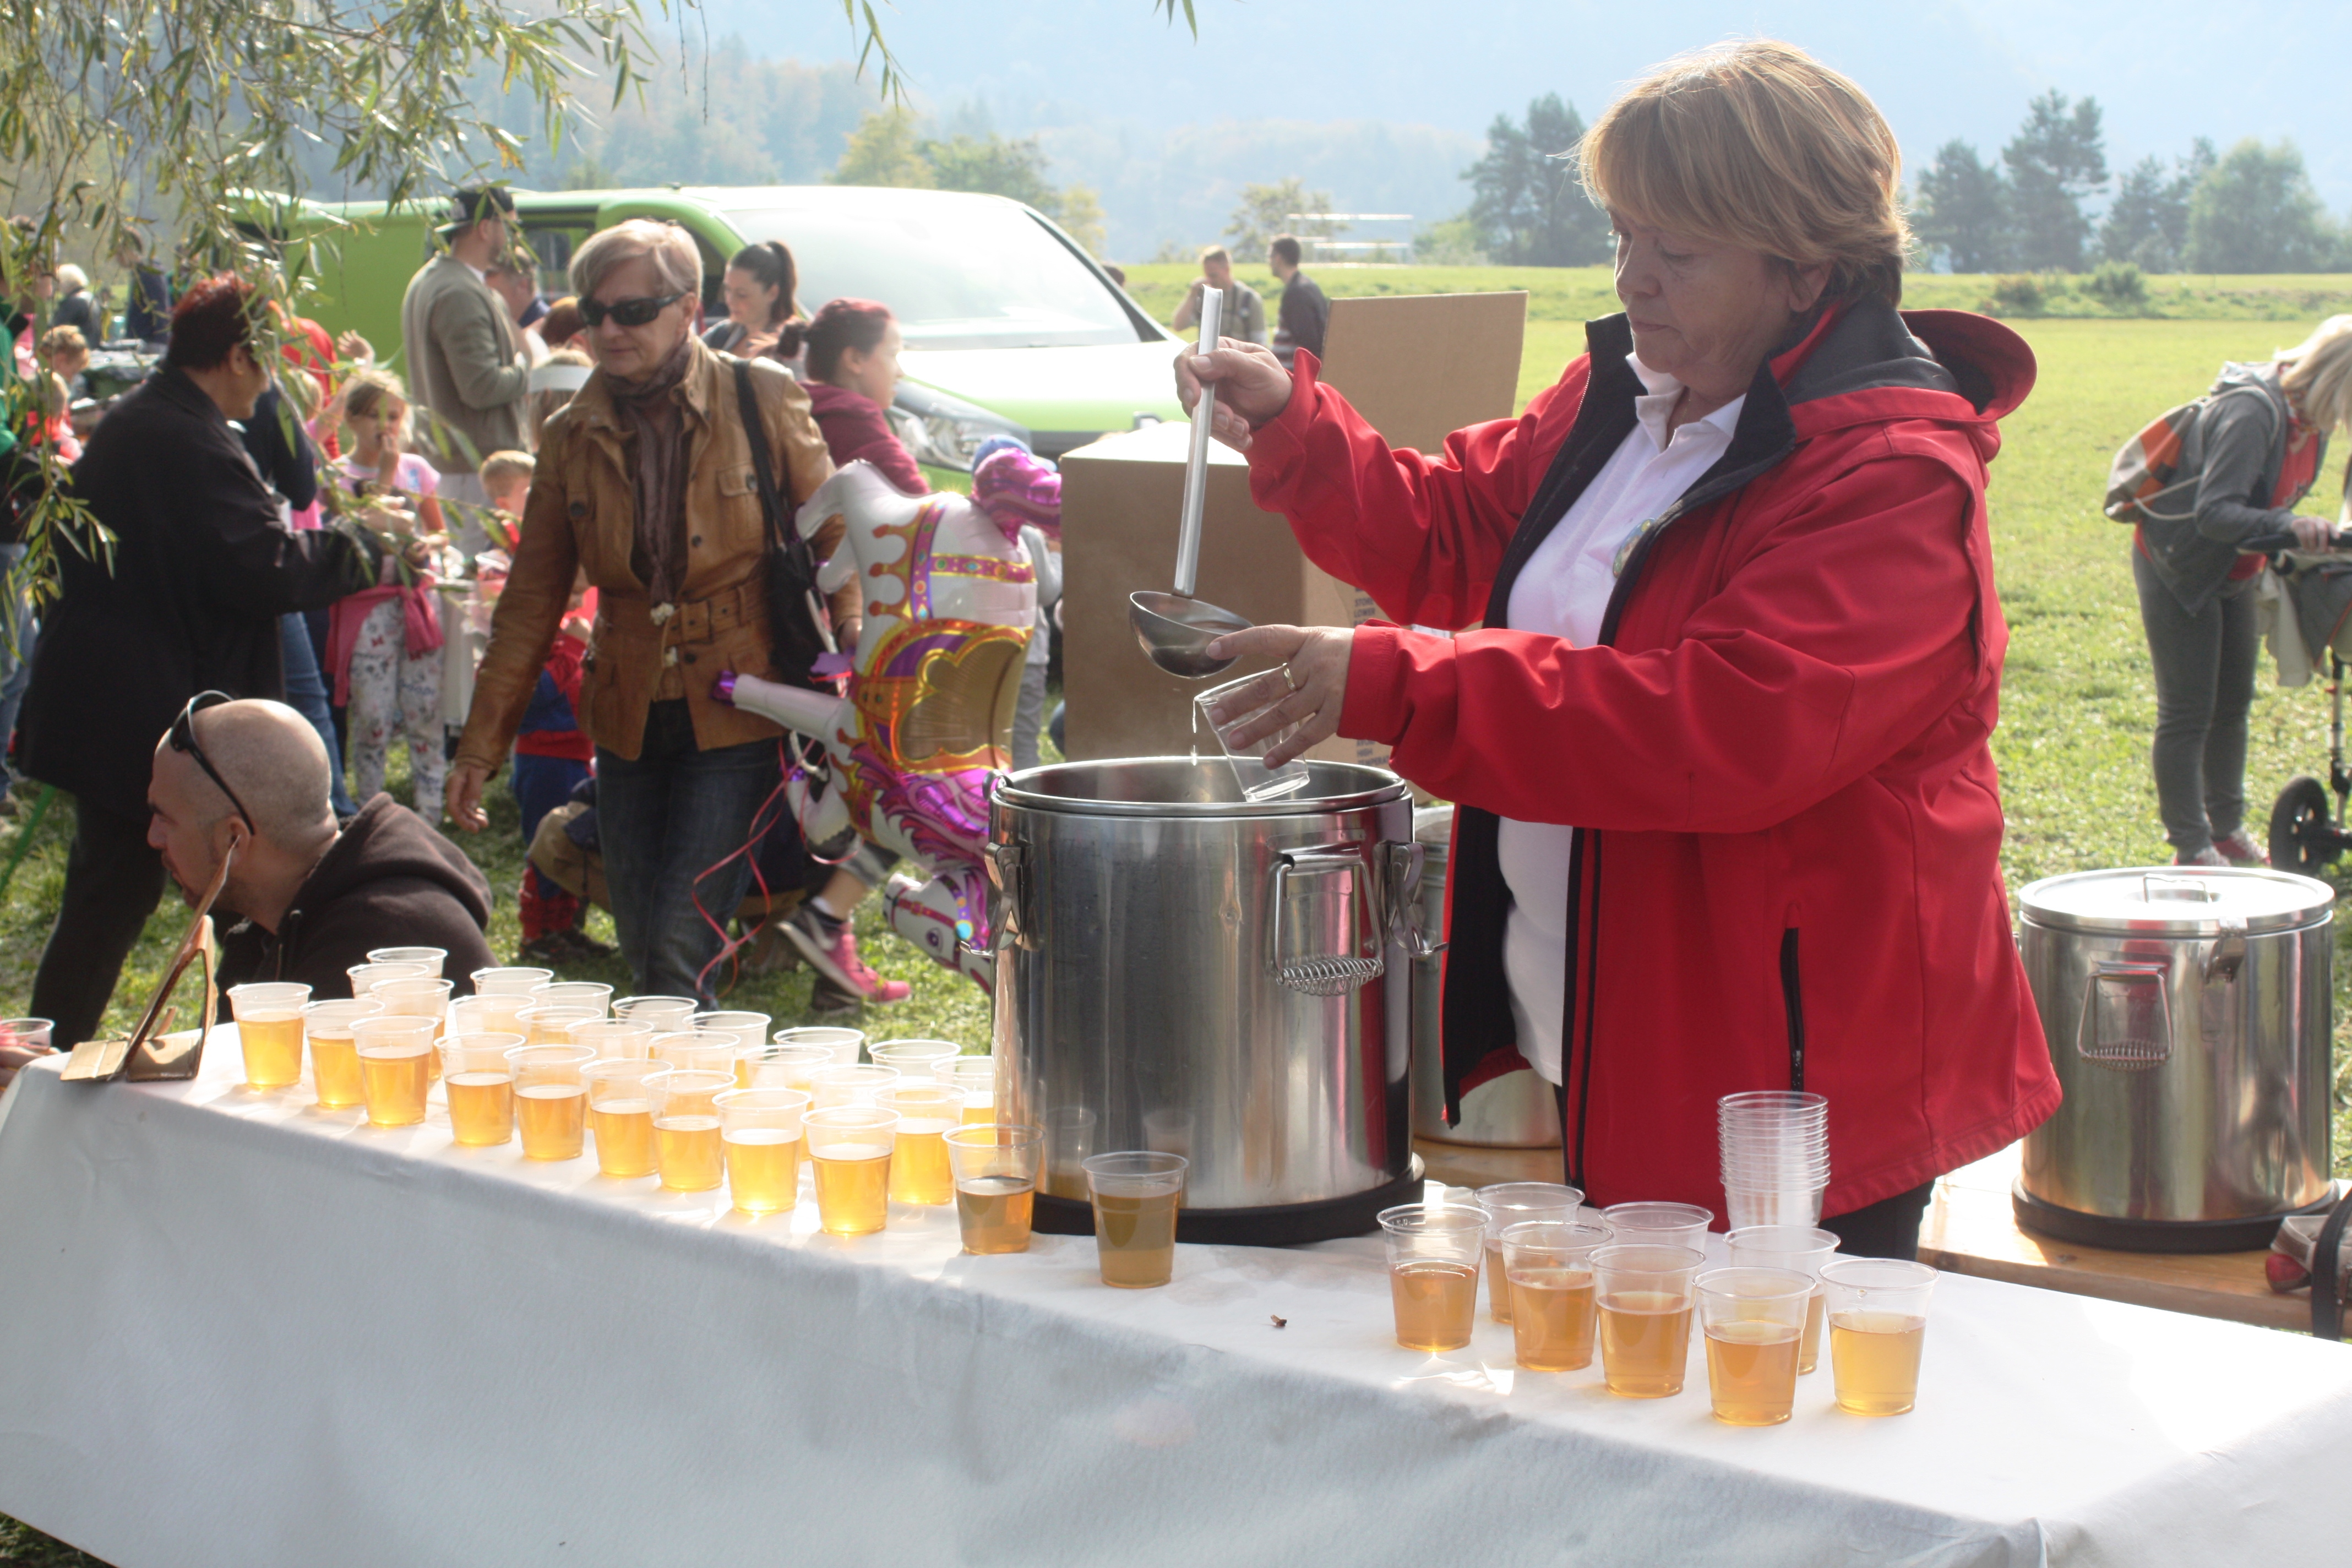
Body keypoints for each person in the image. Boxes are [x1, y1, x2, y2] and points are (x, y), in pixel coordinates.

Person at [1179, 40, 2059, 1262]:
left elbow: (1716, 727)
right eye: (1622, 233)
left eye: (1678, 251)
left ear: (1807, 268)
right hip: (1618, 1020)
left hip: (1790, 1077)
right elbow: (1459, 533)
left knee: (1762, 1368)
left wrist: (1397, 678)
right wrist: (1297, 424)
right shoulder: (1634, 396)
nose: (1633, 277)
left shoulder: (1892, 479)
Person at [447, 219, 854, 1005]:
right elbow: (532, 598)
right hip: (626, 709)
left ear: (689, 309)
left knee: (676, 947)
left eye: (633, 312)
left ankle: (685, 1076)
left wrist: (857, 645)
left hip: (740, 702)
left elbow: (835, 534)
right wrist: (480, 745)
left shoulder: (761, 394)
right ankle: (681, 1073)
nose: (609, 330)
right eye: (594, 312)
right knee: (643, 944)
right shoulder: (569, 433)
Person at [18, 276, 391, 1048]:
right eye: (268, 361)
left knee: (124, 899)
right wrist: (365, 547)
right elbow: (262, 568)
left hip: (129, 700)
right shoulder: (180, 436)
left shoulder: (156, 419)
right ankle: (55, 1062)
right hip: (138, 711)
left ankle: (77, 1056)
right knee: (153, 897)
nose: (272, 380)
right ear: (237, 357)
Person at [2131, 318, 2351, 865]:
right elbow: (2215, 512)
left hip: (2238, 568)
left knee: (2233, 703)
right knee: (2188, 709)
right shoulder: (2254, 412)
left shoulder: (2312, 419)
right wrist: (2287, 525)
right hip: (2182, 565)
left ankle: (2226, 830)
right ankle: (2191, 845)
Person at [146, 696, 494, 999]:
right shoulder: (282, 926)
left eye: (165, 819)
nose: (153, 837)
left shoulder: (367, 961)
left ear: (233, 839)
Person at [322, 366, 448, 818]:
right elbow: (354, 537)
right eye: (375, 416)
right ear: (352, 419)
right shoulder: (337, 476)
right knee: (372, 716)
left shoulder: (418, 471)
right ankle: (372, 812)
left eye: (394, 417)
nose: (386, 426)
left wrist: (427, 546)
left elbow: (440, 532)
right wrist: (386, 475)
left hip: (416, 605)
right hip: (368, 610)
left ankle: (431, 810)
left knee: (424, 709)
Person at [399, 185, 529, 547]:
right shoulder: (459, 292)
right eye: (511, 227)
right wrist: (527, 371)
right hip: (475, 473)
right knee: (477, 572)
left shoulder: (432, 280)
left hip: (459, 468)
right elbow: (481, 387)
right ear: (486, 228)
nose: (515, 239)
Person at [801, 298, 922, 494]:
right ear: (855, 359)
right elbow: (918, 501)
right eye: (892, 355)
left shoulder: (800, 406)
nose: (900, 373)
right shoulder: (856, 421)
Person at [703, 241, 804, 363]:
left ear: (772, 293)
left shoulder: (790, 349)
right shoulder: (720, 335)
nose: (730, 301)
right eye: (728, 290)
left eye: (742, 295)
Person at [1170, 246, 1266, 347]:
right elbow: (1178, 326)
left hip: (1239, 355)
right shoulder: (1204, 298)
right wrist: (1192, 295)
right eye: (1207, 276)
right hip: (1208, 356)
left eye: (1213, 275)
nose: (1209, 280)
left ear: (1227, 269)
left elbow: (1260, 342)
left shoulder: (1248, 299)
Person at [1266, 233, 1329, 366]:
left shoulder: (1296, 293)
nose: (1269, 262)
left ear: (1278, 258)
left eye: (1270, 256)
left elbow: (1308, 342)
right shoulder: (1308, 286)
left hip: (1296, 373)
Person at [115, 235, 173, 344]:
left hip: (150, 344)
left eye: (120, 254)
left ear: (133, 250)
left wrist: (160, 345)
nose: (117, 259)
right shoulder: (139, 274)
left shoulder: (150, 274)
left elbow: (160, 310)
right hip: (139, 343)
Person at [47, 263, 99, 343]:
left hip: (77, 347)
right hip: (91, 345)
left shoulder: (73, 303)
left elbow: (55, 328)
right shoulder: (91, 298)